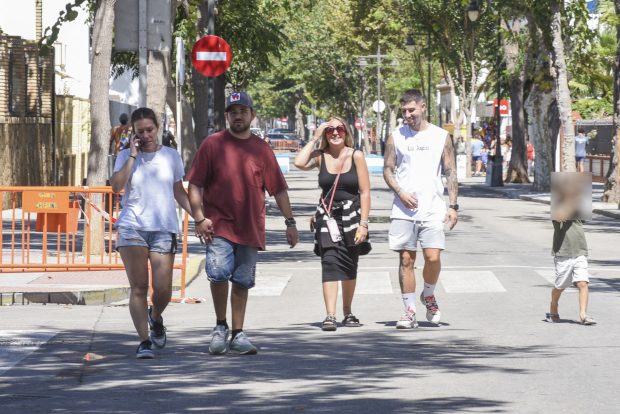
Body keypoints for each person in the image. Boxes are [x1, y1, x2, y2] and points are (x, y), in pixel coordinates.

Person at [187, 91, 299, 355]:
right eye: (233, 111)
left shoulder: (261, 149)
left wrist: (290, 222)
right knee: (218, 275)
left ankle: (238, 333)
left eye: (243, 111)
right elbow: (195, 184)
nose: (238, 115)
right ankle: (220, 326)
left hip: (249, 227)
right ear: (227, 116)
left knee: (242, 280)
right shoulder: (212, 144)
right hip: (218, 226)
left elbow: (278, 190)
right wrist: (199, 217)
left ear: (252, 115)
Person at [110, 107, 192, 359]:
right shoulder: (125, 156)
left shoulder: (171, 156)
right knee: (138, 287)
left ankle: (156, 316)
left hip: (163, 228)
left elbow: (178, 191)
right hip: (132, 226)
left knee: (163, 288)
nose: (145, 135)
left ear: (158, 128)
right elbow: (116, 187)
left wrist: (199, 216)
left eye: (150, 130)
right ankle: (144, 340)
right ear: (133, 133)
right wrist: (133, 156)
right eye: (140, 131)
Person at [383, 89, 459, 329]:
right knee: (406, 259)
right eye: (404, 111)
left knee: (433, 257)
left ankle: (428, 294)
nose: (407, 115)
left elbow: (450, 171)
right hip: (403, 210)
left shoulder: (440, 136)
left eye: (411, 110)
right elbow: (388, 169)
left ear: (423, 107)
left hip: (433, 208)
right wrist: (400, 192)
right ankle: (409, 310)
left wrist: (453, 205)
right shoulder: (396, 136)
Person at [293, 117, 371, 331]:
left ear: (346, 132)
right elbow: (299, 163)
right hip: (327, 218)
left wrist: (363, 224)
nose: (335, 133)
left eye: (339, 129)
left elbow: (364, 192)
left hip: (352, 216)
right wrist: (315, 137)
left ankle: (348, 311)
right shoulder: (320, 156)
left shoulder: (356, 155)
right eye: (330, 130)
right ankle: (330, 315)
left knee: (349, 263)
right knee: (329, 262)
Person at [546, 173, 596, 325]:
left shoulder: (578, 206)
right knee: (560, 286)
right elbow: (559, 216)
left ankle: (583, 315)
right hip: (563, 252)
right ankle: (553, 306)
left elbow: (586, 217)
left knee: (583, 283)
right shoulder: (558, 206)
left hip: (580, 250)